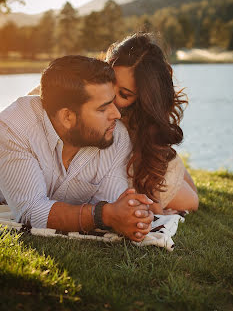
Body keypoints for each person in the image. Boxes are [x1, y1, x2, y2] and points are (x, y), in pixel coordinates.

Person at [0, 55, 154, 242]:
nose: (117, 114)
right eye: (103, 109)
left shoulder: (116, 136)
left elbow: (113, 205)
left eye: (113, 102)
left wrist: (133, 217)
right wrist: (103, 215)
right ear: (67, 117)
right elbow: (31, 211)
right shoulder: (15, 127)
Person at [105, 33, 198, 214]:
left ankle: (166, 161)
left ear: (143, 99)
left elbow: (148, 183)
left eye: (124, 94)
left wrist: (154, 205)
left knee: (190, 191)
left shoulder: (141, 119)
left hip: (145, 154)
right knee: (192, 201)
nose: (111, 97)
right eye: (110, 82)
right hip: (126, 164)